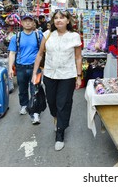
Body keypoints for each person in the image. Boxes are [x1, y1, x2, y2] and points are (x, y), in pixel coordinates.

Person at [32, 10, 82, 151]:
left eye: (62, 18)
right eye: (56, 18)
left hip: (67, 75)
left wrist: (79, 76)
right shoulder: (47, 35)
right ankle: (57, 119)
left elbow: (78, 57)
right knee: (52, 102)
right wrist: (35, 72)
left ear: (68, 21)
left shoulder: (74, 36)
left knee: (63, 104)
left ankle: (60, 133)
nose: (59, 20)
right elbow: (40, 54)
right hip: (49, 75)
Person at [8, 13, 43, 124]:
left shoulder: (39, 36)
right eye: (25, 21)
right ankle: (24, 105)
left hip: (35, 68)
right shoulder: (16, 37)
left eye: (30, 21)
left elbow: (44, 51)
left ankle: (35, 112)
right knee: (22, 89)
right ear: (21, 23)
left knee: (35, 90)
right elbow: (12, 53)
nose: (28, 23)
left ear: (33, 23)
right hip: (21, 67)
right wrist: (10, 68)